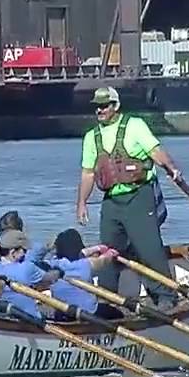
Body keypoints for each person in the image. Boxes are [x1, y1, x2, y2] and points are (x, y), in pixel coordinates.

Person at [75, 86, 181, 309]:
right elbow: (88, 173)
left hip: (139, 196)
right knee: (107, 253)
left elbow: (155, 151)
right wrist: (82, 203)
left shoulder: (135, 126)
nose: (100, 110)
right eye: (97, 107)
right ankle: (106, 303)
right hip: (112, 202)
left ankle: (166, 297)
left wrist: (171, 168)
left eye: (104, 106)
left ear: (116, 106)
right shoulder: (91, 137)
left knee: (149, 249)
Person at [42, 228, 119, 320]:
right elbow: (103, 260)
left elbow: (82, 253)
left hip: (63, 312)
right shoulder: (85, 264)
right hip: (89, 312)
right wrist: (110, 253)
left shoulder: (51, 264)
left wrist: (98, 248)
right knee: (118, 313)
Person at [0, 229, 61, 317]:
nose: (26, 254)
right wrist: (59, 272)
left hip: (1, 316)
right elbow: (49, 279)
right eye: (24, 251)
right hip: (29, 317)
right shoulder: (27, 267)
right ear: (13, 252)